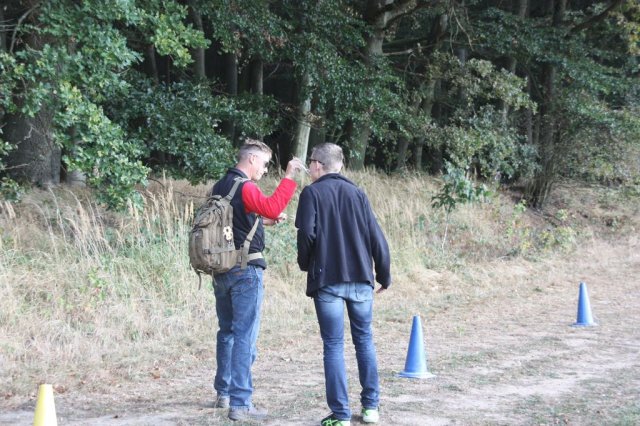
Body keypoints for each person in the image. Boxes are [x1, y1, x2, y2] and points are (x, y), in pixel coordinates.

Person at [295, 143, 391, 426]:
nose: (309, 166)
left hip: (328, 281)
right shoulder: (358, 193)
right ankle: (371, 408)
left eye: (311, 162)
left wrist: (306, 264)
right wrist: (384, 274)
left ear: (317, 164)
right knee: (364, 340)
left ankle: (341, 415)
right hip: (361, 279)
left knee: (334, 345)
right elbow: (376, 237)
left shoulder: (311, 193)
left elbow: (306, 234)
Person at [210, 139, 305, 422]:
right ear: (251, 160)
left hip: (221, 269)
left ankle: (223, 393)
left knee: (227, 332)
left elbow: (234, 220)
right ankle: (240, 403)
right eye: (264, 164)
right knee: (244, 336)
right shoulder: (246, 186)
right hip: (246, 270)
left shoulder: (220, 186)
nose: (264, 170)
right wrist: (289, 177)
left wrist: (262, 222)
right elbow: (273, 206)